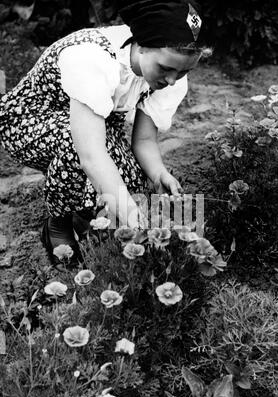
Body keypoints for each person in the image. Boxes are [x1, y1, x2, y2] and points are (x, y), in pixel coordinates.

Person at [0, 0, 209, 268]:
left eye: (182, 72)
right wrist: (130, 213)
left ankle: (83, 212)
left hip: (94, 123)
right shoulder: (93, 58)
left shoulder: (170, 75)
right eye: (166, 68)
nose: (172, 80)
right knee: (76, 149)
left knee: (133, 183)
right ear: (142, 45)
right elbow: (91, 154)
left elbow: (144, 140)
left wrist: (158, 173)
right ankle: (58, 222)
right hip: (30, 123)